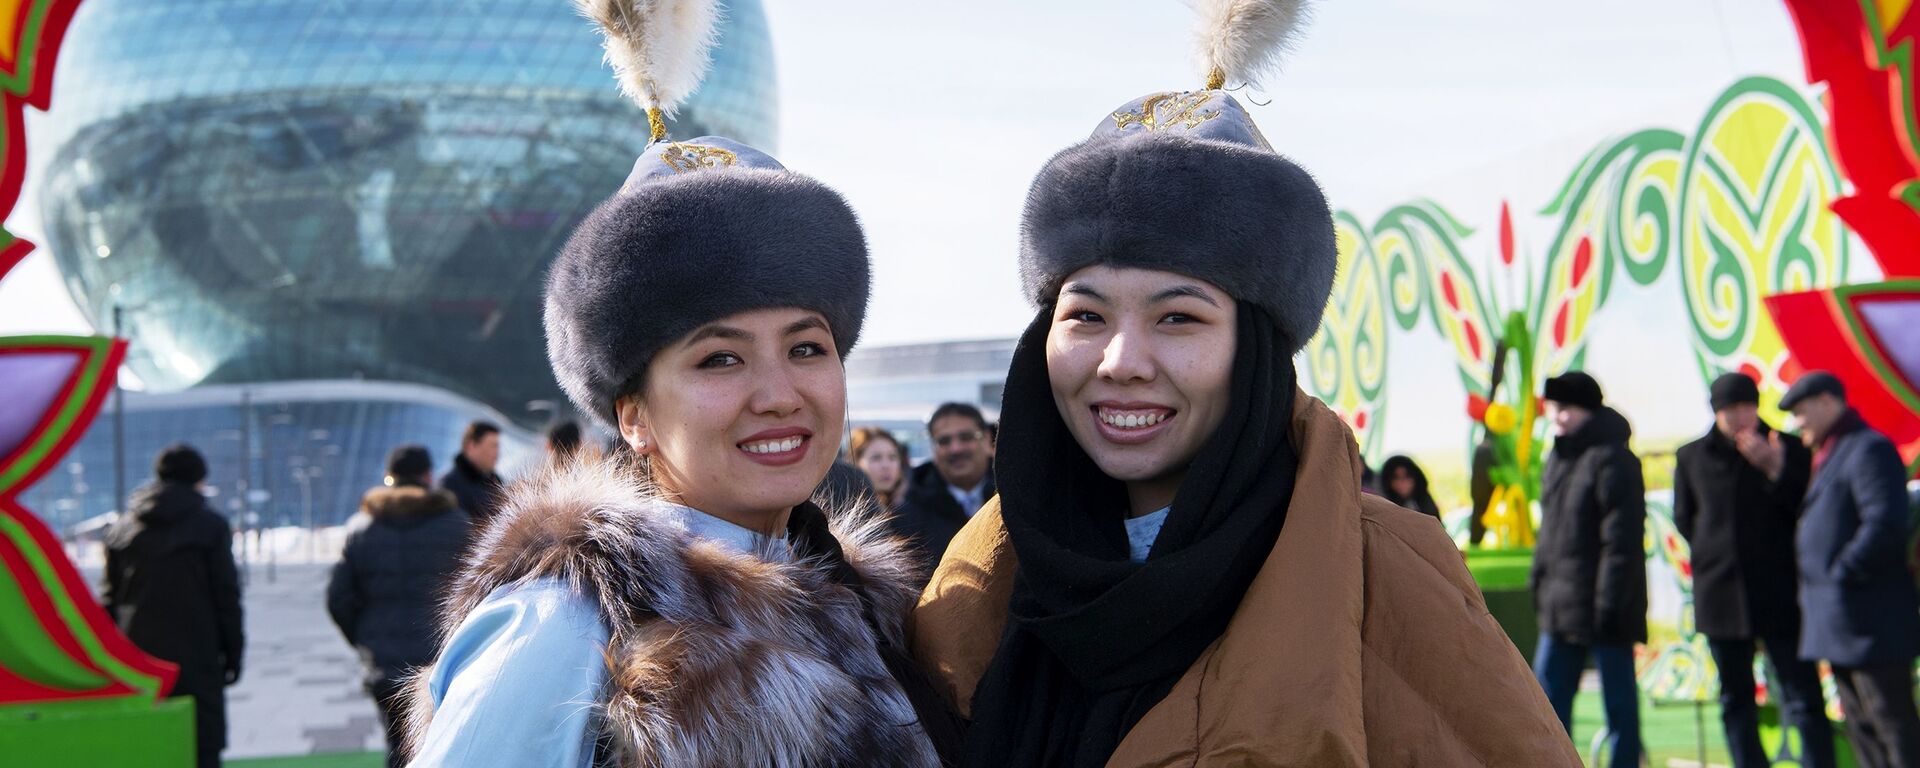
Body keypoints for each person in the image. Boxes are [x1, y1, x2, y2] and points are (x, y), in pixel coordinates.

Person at [910, 8, 1578, 765]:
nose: (1121, 360)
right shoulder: (986, 571)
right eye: (1086, 314)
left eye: (1179, 318)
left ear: (1254, 348)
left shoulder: (1378, 568)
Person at [401, 9, 954, 765]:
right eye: (719, 359)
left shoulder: (871, 612)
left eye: (806, 346)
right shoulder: (568, 626)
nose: (780, 393)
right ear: (633, 415)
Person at [1673, 372, 1834, 768]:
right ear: (1717, 413)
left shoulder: (1789, 448)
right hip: (1721, 594)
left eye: (1748, 407)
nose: (1742, 417)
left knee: (1802, 694)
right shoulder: (1692, 456)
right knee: (1736, 698)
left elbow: (1807, 510)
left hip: (1780, 591)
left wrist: (1772, 467)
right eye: (1731, 410)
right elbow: (1685, 518)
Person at [1782, 371, 1920, 767]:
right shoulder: (1833, 451)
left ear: (1828, 402)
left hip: (1869, 619)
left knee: (1890, 721)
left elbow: (1884, 523)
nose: (1799, 423)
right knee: (1861, 724)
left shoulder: (1867, 449)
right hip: (1842, 620)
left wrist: (1841, 574)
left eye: (1802, 412)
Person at [327, 444, 472, 768]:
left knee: (399, 746)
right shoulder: (456, 524)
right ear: (428, 476)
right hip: (440, 661)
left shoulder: (362, 528)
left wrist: (366, 639)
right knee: (439, 744)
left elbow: (338, 598)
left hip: (384, 667)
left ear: (388, 478)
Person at [1531, 371, 1648, 768]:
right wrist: (1540, 582)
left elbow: (1621, 541)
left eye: (1566, 409)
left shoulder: (1614, 458)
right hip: (1561, 605)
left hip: (1606, 607)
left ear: (1587, 410)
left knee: (1619, 704)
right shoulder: (1559, 457)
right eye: (1555, 410)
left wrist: (1610, 602)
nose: (1558, 418)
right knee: (1546, 703)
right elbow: (1550, 533)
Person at [101, 444, 244, 768]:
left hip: (138, 659)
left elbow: (108, 602)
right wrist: (233, 653)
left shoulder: (122, 529)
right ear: (198, 480)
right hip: (198, 654)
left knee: (147, 746)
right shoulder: (210, 526)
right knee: (202, 746)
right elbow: (226, 597)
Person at [890, 402, 996, 571]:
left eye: (966, 437)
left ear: (987, 439)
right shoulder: (906, 518)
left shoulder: (1017, 497)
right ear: (933, 448)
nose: (956, 448)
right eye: (944, 441)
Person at [440, 420, 504, 522]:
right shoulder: (449, 485)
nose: (497, 453)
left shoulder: (497, 482)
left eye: (498, 446)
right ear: (472, 446)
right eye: (493, 446)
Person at [851, 426, 910, 511]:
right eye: (876, 458)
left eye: (892, 457)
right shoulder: (845, 510)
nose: (886, 466)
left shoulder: (917, 504)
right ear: (856, 462)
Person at [1379, 454, 1440, 519]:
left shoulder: (1426, 504)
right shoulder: (1384, 508)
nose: (1402, 482)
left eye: (1407, 476)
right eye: (1395, 477)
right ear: (1387, 481)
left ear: (1416, 478)